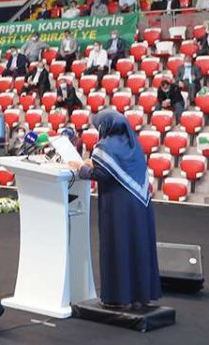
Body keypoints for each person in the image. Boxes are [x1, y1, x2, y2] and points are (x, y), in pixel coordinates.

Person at [68, 111, 162, 310]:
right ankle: (140, 296)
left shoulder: (105, 146)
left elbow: (101, 174)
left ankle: (119, 297)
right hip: (140, 205)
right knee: (137, 246)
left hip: (118, 205)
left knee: (119, 246)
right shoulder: (133, 144)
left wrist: (80, 167)